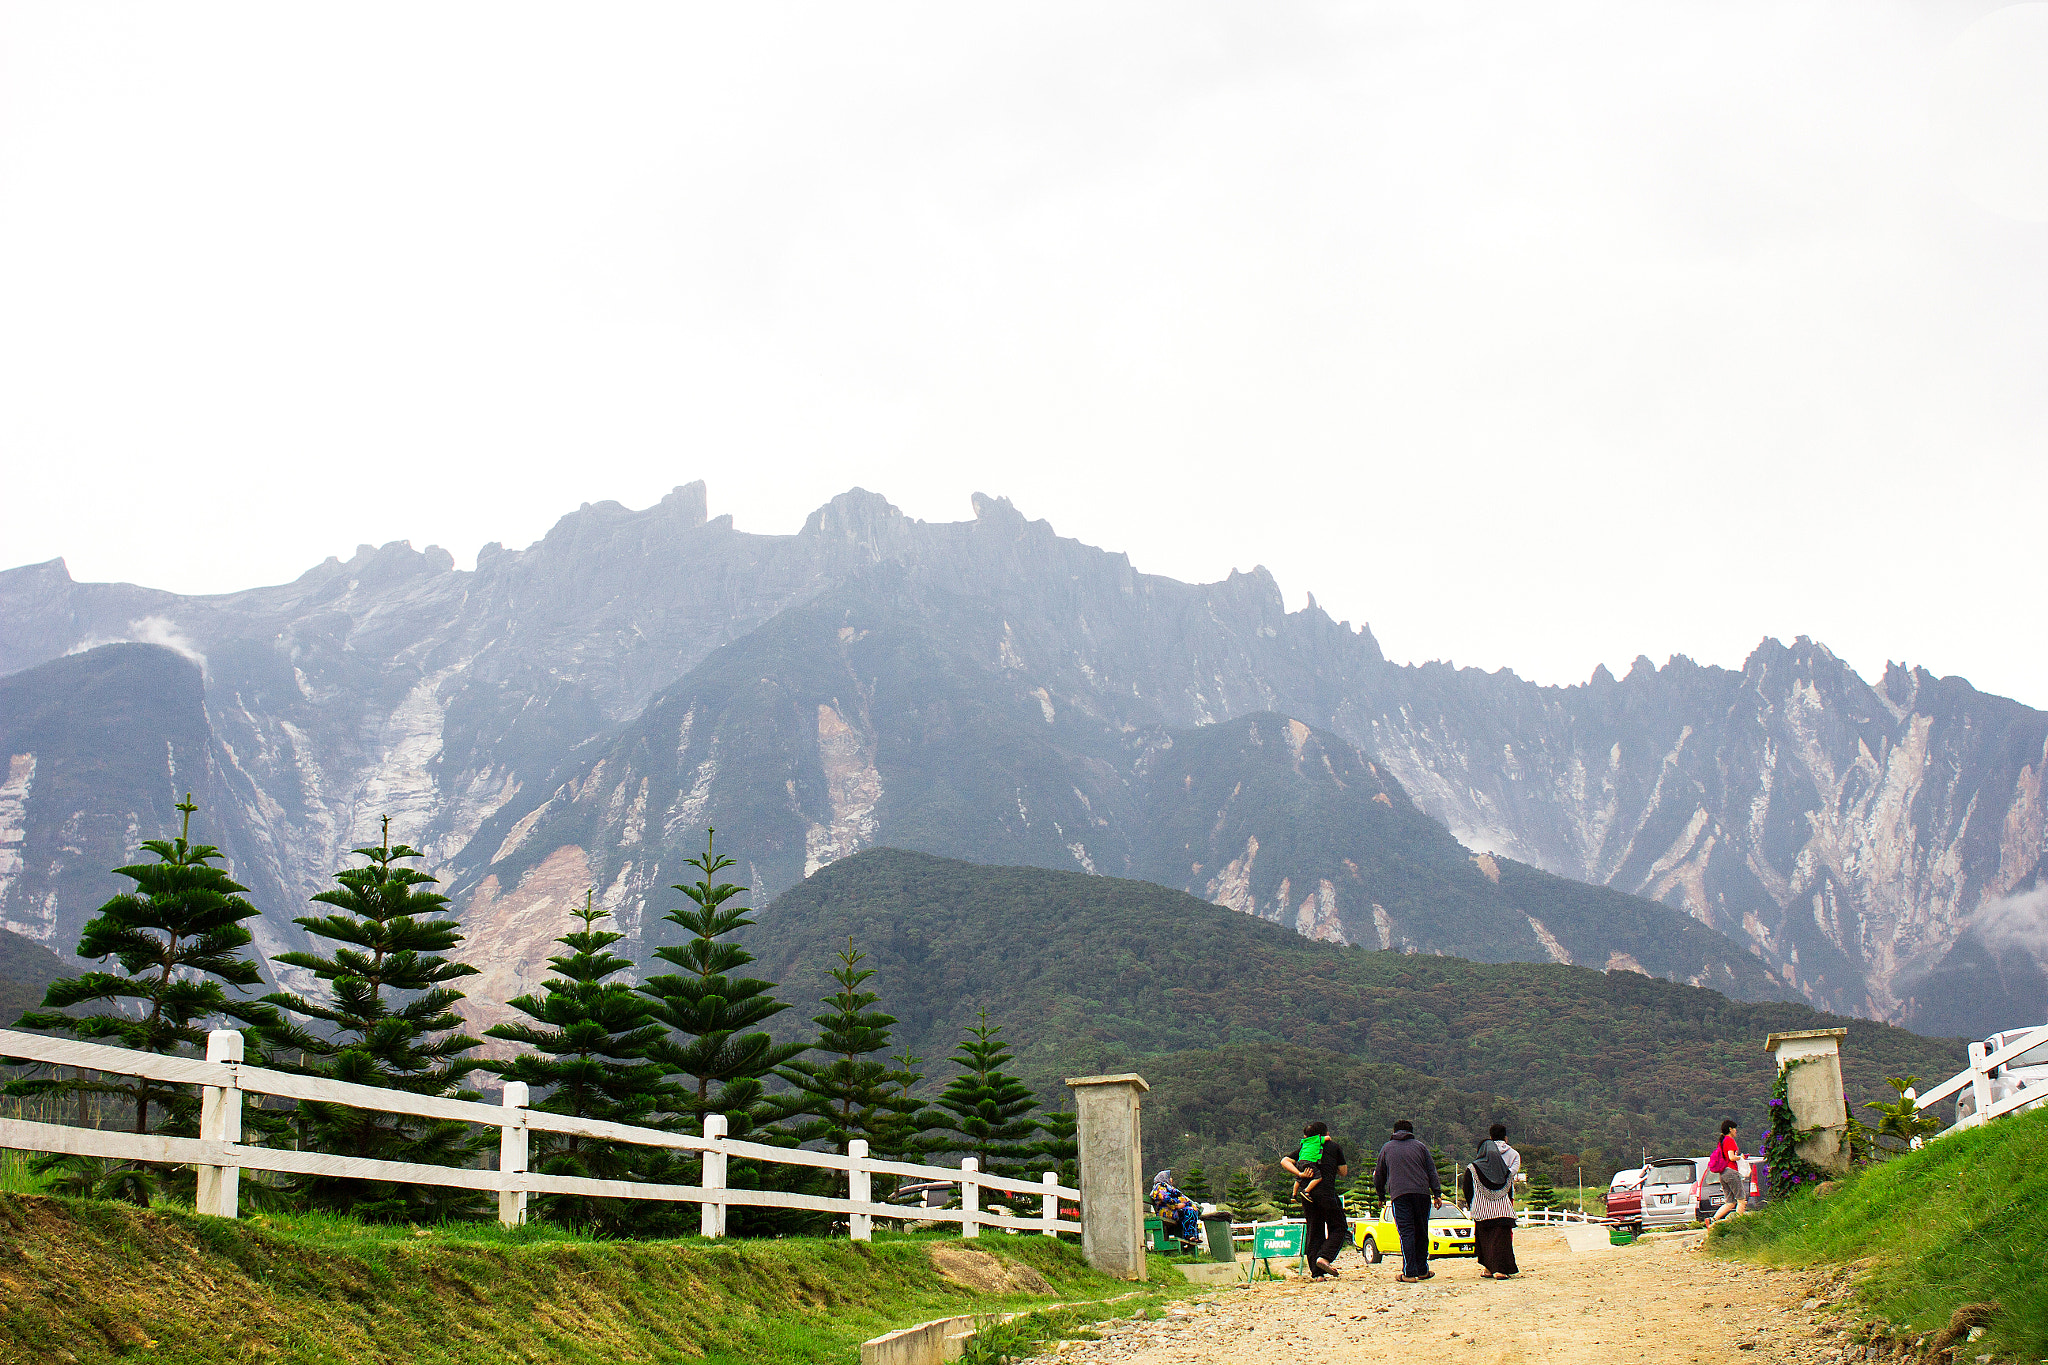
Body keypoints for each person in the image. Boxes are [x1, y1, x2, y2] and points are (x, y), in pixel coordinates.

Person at [1281, 1121, 1351, 1279]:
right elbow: (1343, 1172)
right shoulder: (1334, 1147)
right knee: (1339, 1226)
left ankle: (1317, 1273)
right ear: (1326, 1133)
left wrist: (1299, 1174)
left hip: (1308, 1195)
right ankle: (1324, 1257)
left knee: (1314, 1230)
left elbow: (1284, 1161)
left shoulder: (1304, 1148)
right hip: (1326, 1193)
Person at [1373, 1119, 1441, 1283]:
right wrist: (1437, 1193)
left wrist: (1381, 1195)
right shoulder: (1420, 1146)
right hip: (1422, 1194)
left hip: (1400, 1195)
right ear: (1411, 1131)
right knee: (1421, 1231)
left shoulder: (1387, 1148)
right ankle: (1422, 1270)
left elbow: (1379, 1174)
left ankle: (1409, 1273)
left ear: (1394, 1132)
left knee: (1407, 1233)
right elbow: (1431, 1170)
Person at [1466, 1123, 1520, 1278]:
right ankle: (1501, 1270)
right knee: (1501, 1242)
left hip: (1482, 1211)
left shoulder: (1472, 1168)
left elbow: (1468, 1190)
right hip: (1502, 1210)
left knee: (1485, 1241)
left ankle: (1489, 1269)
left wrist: (1473, 1205)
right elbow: (1509, 1186)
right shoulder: (1507, 1169)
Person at [1149, 1169, 1202, 1250]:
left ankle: (1191, 1235)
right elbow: (1165, 1198)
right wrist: (1176, 1205)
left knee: (1191, 1209)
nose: (1171, 1179)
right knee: (1189, 1211)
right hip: (1167, 1212)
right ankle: (1189, 1235)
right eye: (1170, 1177)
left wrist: (1186, 1203)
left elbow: (1182, 1197)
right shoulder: (1159, 1187)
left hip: (1174, 1212)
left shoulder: (1169, 1188)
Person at [1708, 1120, 1744, 1224]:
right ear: (1730, 1129)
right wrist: (1740, 1157)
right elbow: (1731, 1157)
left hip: (1723, 1173)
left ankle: (1713, 1220)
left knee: (1730, 1202)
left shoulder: (1722, 1141)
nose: (1736, 1131)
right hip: (1731, 1172)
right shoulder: (1730, 1140)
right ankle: (1739, 1222)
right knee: (1741, 1200)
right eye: (1735, 1128)